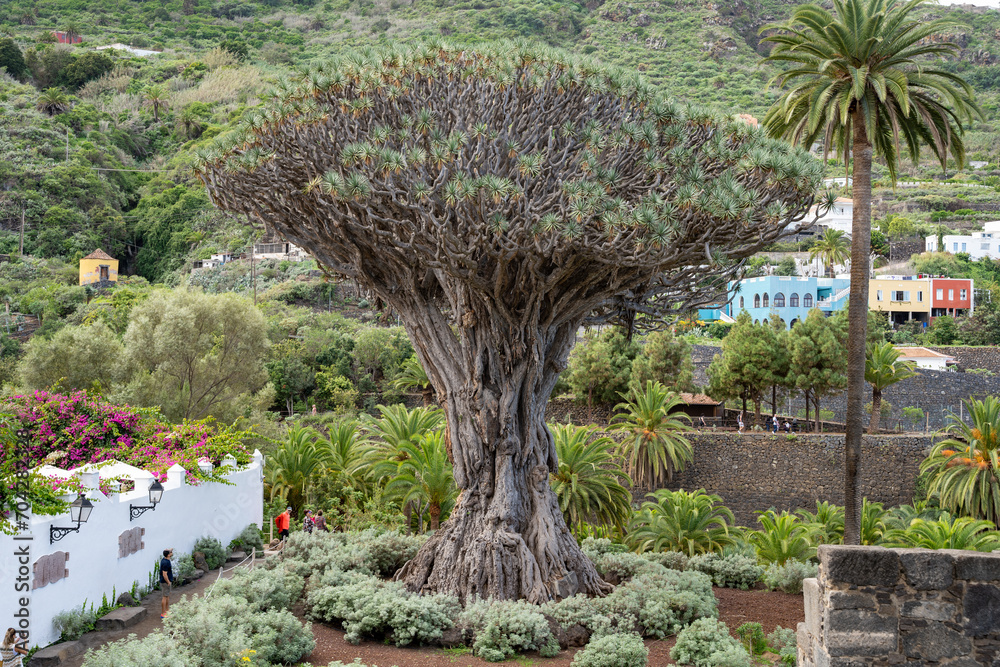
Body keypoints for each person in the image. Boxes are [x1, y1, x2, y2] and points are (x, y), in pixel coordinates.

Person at [160, 548, 175, 620]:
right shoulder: (165, 563)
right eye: (170, 552)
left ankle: (167, 610)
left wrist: (170, 549)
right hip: (165, 582)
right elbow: (164, 574)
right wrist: (168, 582)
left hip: (167, 581)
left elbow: (168, 551)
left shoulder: (165, 559)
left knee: (167, 596)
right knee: (164, 597)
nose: (172, 552)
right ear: (168, 555)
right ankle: (163, 613)